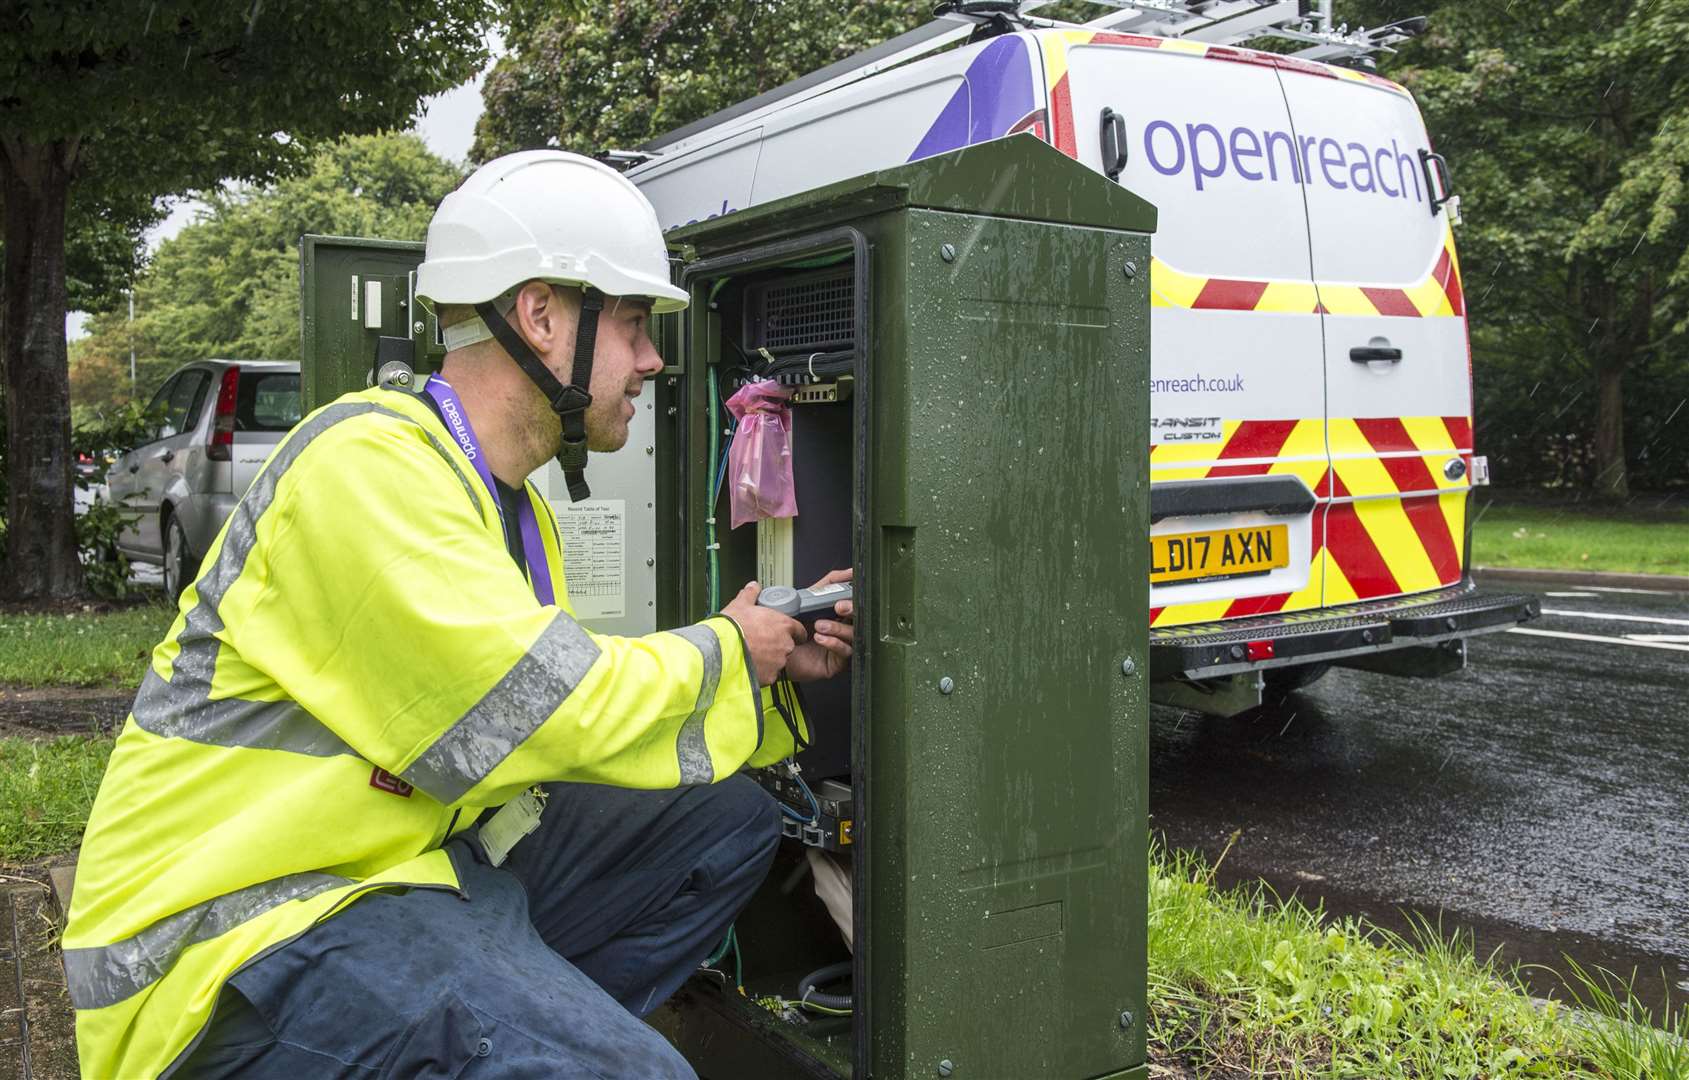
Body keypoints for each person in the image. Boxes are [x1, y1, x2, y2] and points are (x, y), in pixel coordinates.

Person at [62, 150, 855, 1079]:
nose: (652, 359)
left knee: (722, 823)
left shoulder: (501, 498)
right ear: (542, 315)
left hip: (401, 870)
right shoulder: (367, 468)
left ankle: (527, 1038)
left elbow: (543, 694)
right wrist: (729, 650)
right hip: (245, 937)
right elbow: (526, 703)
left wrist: (754, 669)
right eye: (636, 323)